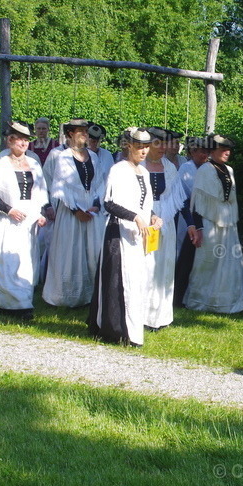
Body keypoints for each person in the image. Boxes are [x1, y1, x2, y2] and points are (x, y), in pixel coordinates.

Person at [87, 127, 162, 346]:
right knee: (118, 281)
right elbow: (109, 203)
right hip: (118, 233)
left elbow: (146, 205)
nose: (144, 151)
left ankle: (132, 328)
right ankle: (116, 330)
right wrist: (135, 218)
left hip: (138, 237)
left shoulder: (145, 172)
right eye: (139, 146)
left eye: (147, 146)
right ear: (129, 146)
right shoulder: (118, 169)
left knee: (137, 281)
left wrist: (153, 217)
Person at [0, 121, 49, 319]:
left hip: (27, 222)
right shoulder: (1, 163)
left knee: (26, 261)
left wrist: (41, 213)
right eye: (20, 140)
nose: (24, 144)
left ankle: (23, 300)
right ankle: (9, 302)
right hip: (5, 221)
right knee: (7, 261)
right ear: (10, 141)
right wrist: (9, 210)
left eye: (27, 140)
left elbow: (40, 192)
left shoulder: (34, 163)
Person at [183, 134, 243, 314]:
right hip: (209, 223)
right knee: (207, 262)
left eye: (228, 149)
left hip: (228, 223)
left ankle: (227, 300)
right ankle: (201, 300)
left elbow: (230, 199)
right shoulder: (205, 170)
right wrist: (198, 228)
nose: (227, 152)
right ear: (212, 150)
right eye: (223, 149)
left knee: (229, 262)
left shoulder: (229, 170)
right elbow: (197, 203)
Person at [41, 119, 103, 308]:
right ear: (70, 134)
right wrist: (76, 210)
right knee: (70, 252)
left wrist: (95, 205)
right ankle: (65, 296)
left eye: (86, 131)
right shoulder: (64, 157)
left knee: (92, 251)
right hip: (70, 213)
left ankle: (90, 295)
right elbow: (60, 186)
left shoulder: (93, 156)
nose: (85, 134)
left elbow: (100, 184)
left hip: (91, 213)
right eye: (80, 131)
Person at [142, 127, 187, 330]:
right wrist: (148, 216)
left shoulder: (170, 168)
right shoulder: (138, 166)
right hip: (142, 222)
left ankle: (159, 316)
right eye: (157, 143)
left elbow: (176, 198)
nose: (163, 148)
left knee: (164, 267)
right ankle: (141, 314)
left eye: (165, 143)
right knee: (145, 267)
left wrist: (163, 217)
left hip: (165, 222)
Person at [173, 135, 213, 307]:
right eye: (200, 151)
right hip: (188, 217)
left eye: (207, 151)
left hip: (206, 216)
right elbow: (189, 197)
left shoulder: (208, 168)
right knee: (184, 254)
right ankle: (179, 294)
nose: (204, 154)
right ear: (192, 152)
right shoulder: (186, 169)